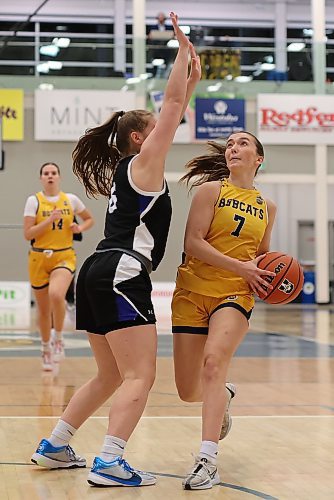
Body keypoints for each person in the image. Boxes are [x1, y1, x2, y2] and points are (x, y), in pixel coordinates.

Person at [31, 12, 201, 488]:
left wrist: (191, 85)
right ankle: (110, 460)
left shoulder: (133, 170)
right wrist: (182, 56)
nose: (172, 126)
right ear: (138, 137)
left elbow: (173, 109)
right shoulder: (145, 164)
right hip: (125, 271)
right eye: (160, 127)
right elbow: (169, 104)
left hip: (96, 270)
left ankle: (56, 444)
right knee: (140, 375)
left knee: (110, 374)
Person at [172, 132, 277, 490]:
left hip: (234, 294)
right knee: (188, 390)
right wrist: (242, 266)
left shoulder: (267, 206)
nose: (234, 148)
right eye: (230, 144)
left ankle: (207, 460)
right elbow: (193, 243)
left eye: (243, 143)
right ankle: (223, 395)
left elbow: (262, 256)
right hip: (191, 292)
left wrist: (269, 276)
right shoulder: (211, 191)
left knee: (214, 362)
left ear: (258, 158)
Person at [23, 162, 94, 370]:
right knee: (44, 311)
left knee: (57, 294)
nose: (50, 176)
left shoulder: (70, 200)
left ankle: (59, 338)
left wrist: (78, 227)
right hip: (38, 258)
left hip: (63, 256)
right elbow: (28, 234)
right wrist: (48, 221)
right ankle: (45, 348)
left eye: (53, 173)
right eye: (46, 173)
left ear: (59, 177)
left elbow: (89, 219)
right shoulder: (33, 201)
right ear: (41, 178)